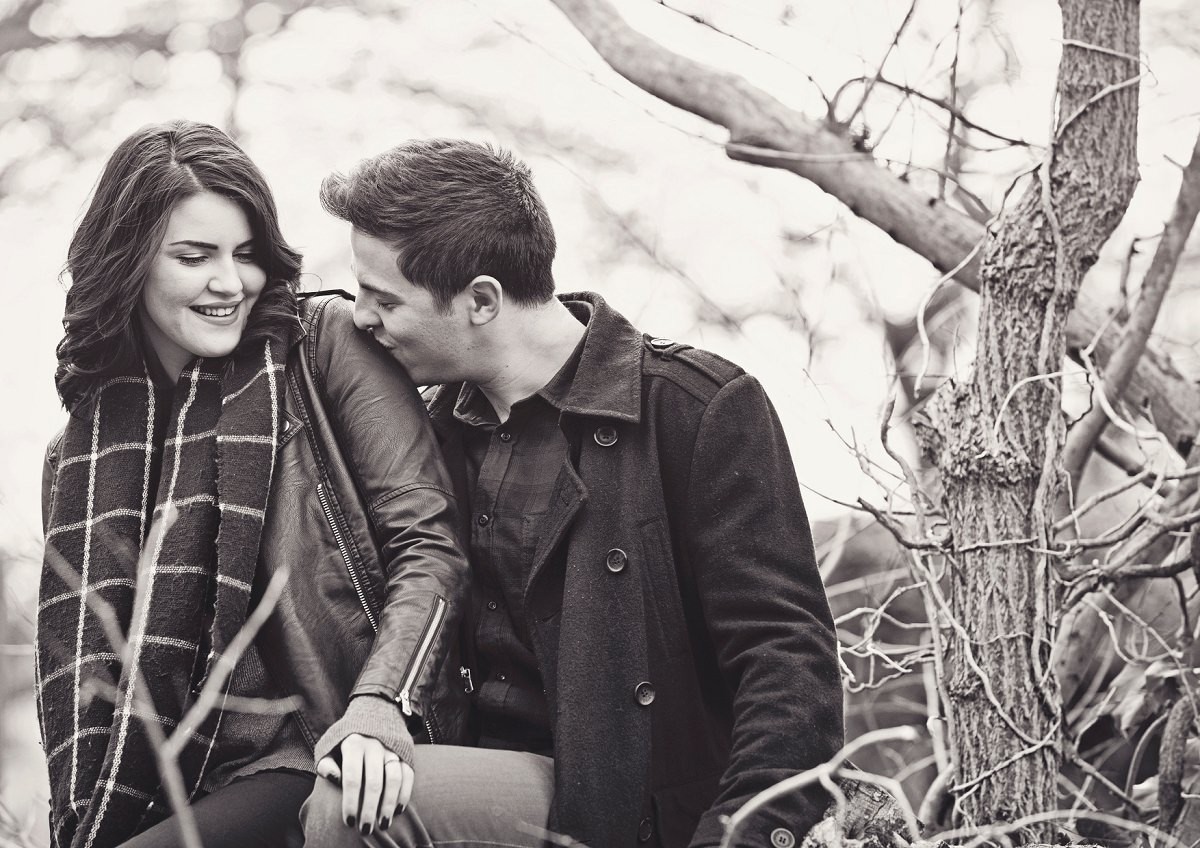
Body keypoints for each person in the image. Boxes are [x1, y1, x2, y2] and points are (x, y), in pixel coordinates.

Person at [302, 138, 844, 847]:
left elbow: (785, 660)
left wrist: (740, 836)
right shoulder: (430, 432)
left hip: (635, 807)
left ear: (481, 301)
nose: (362, 319)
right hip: (486, 776)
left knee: (356, 813)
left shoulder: (693, 407)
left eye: (384, 299)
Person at [36, 120, 469, 848]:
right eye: (193, 256)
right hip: (158, 779)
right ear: (129, 263)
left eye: (246, 255)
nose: (230, 283)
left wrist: (380, 700)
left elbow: (428, 545)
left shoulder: (321, 345)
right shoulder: (76, 453)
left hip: (314, 744)